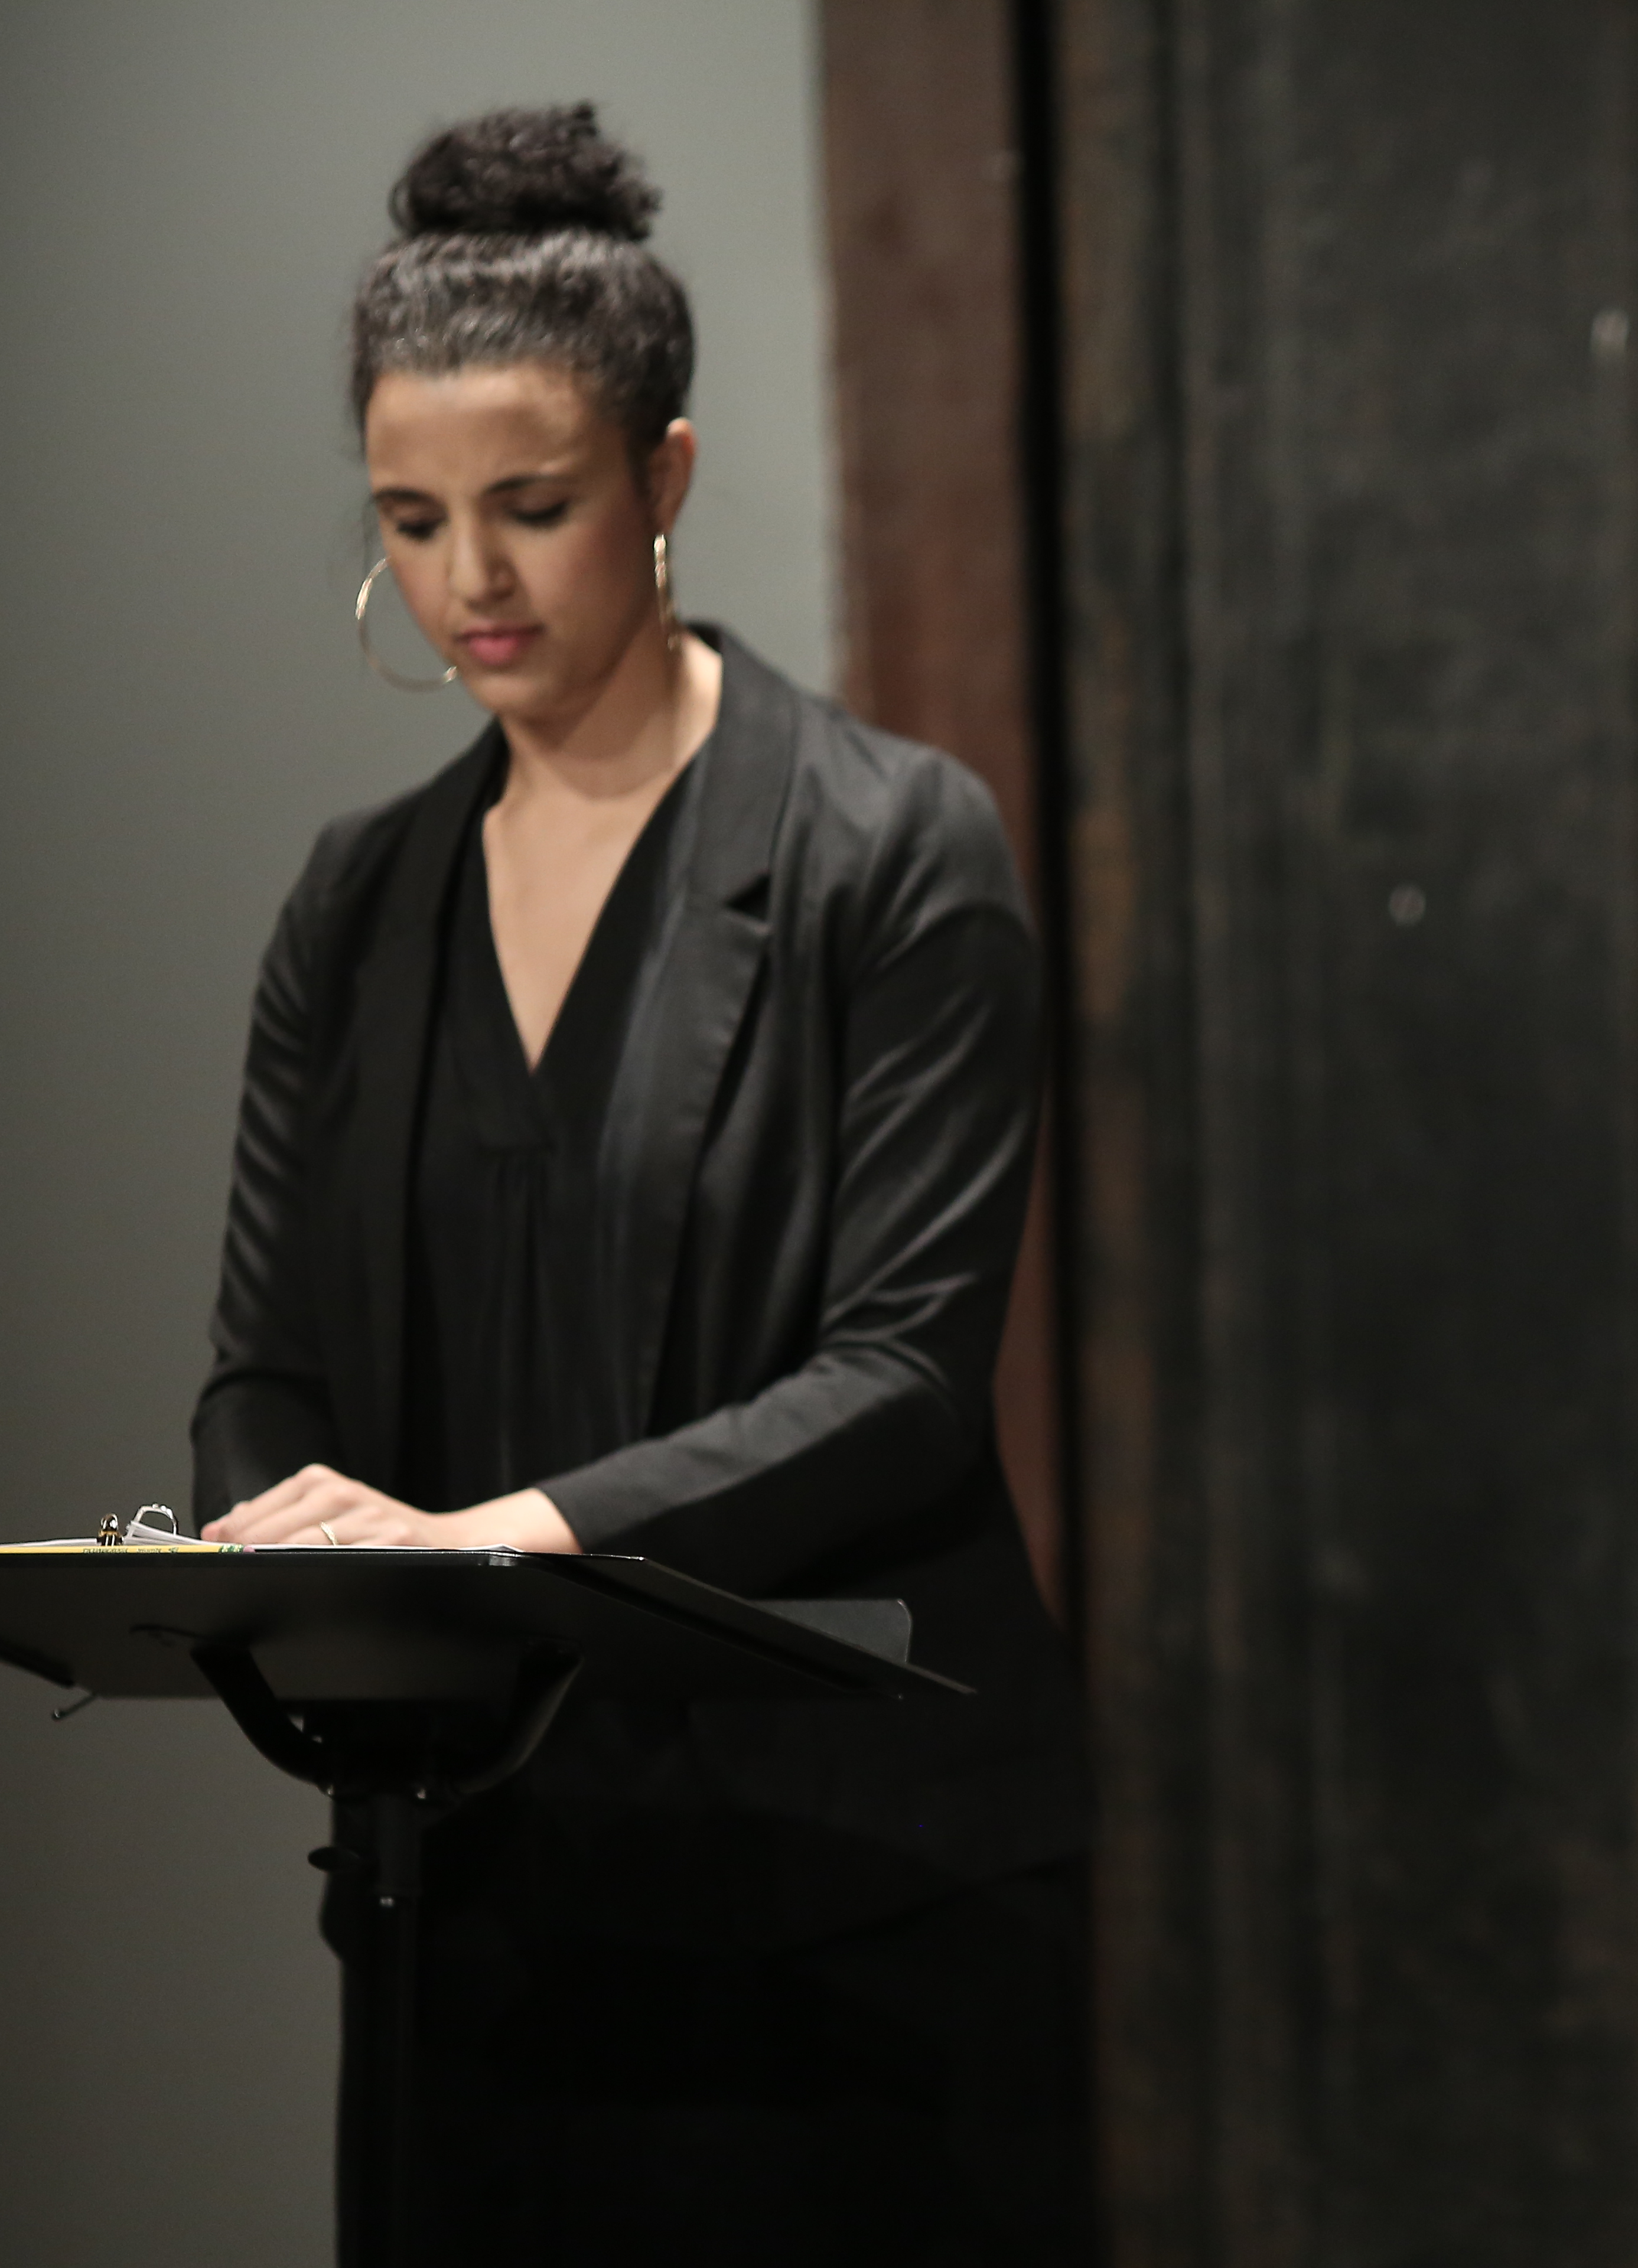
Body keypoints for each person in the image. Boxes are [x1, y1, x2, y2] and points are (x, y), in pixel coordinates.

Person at [189, 105, 1090, 2260]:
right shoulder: (361, 901)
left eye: (533, 508)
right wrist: (278, 1543)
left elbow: (903, 1382)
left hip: (857, 1909)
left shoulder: (892, 849)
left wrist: (501, 1546)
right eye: (412, 521)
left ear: (664, 481)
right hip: (479, 1898)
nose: (469, 584)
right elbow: (265, 1366)